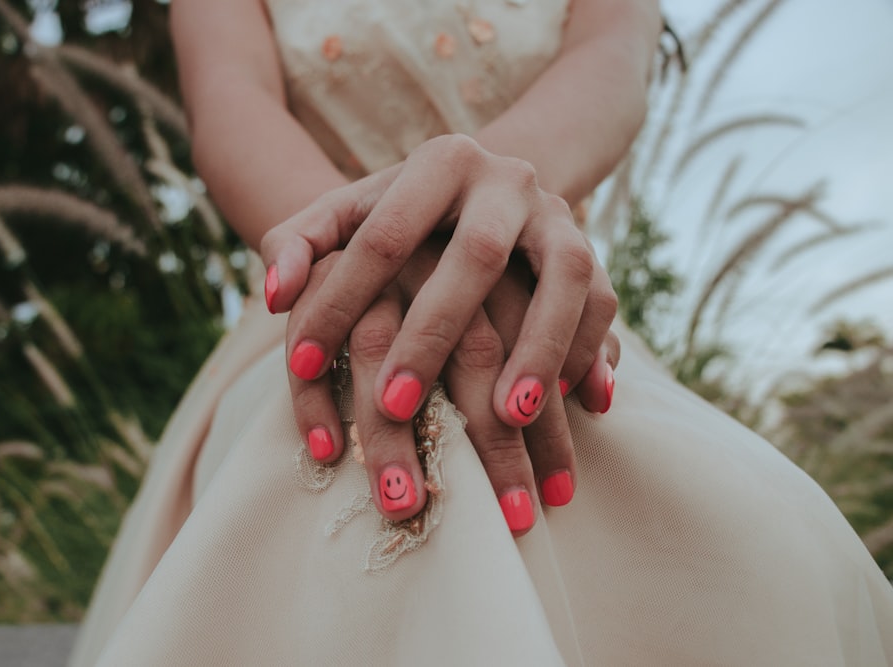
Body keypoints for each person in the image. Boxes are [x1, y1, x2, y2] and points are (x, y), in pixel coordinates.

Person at [69, 0, 893, 664]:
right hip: (313, 304)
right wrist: (368, 251)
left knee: (761, 540)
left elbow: (611, 76)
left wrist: (474, 223)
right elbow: (231, 109)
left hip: (541, 304)